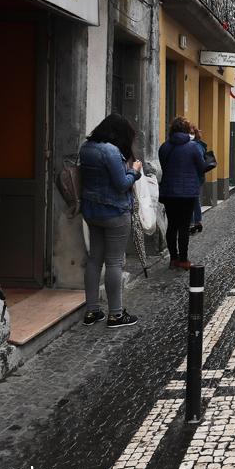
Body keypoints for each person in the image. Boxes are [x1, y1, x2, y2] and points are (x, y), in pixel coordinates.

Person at [79, 113, 141, 328]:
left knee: (94, 259)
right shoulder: (110, 151)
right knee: (114, 261)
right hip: (114, 212)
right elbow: (122, 184)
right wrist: (135, 172)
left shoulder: (86, 148)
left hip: (91, 211)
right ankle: (116, 314)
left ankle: (92, 311)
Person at [159, 118, 206, 269]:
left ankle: (173, 258)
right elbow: (201, 167)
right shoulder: (193, 147)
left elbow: (164, 167)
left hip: (169, 192)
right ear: (187, 130)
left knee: (172, 225)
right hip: (187, 193)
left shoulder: (164, 147)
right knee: (184, 227)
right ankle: (184, 259)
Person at [188, 123, 207, 234]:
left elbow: (199, 163)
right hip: (196, 176)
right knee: (195, 199)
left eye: (191, 133)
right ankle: (197, 221)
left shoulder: (197, 146)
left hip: (196, 177)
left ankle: (193, 223)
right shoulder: (197, 145)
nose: (190, 135)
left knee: (193, 199)